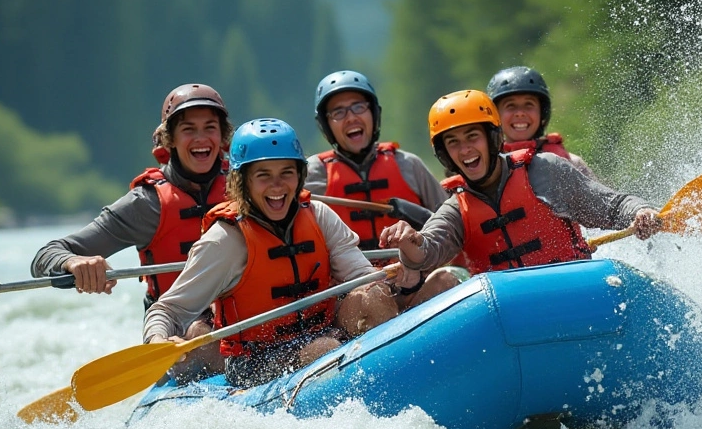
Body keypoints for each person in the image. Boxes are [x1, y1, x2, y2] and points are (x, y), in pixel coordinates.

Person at [143, 118, 406, 388]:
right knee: (324, 350)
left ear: (300, 175)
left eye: (286, 173)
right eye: (263, 175)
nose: (277, 185)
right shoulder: (225, 241)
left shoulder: (319, 216)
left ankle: (401, 382)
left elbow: (362, 277)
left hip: (323, 329)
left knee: (373, 296)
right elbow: (167, 311)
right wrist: (158, 339)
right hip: (255, 359)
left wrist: (404, 275)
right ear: (242, 181)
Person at [30, 83, 232, 378]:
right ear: (170, 139)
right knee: (201, 331)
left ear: (222, 136)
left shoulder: (247, 186)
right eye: (189, 129)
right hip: (177, 332)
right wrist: (73, 262)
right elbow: (45, 255)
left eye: (210, 128)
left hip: (245, 320)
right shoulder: (146, 205)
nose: (201, 139)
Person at [379, 90, 663, 276]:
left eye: (472, 137)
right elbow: (424, 255)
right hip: (510, 312)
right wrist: (410, 241)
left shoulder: (544, 171)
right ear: (445, 154)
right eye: (453, 143)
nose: (464, 150)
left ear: (492, 138)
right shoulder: (456, 210)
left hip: (571, 289)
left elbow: (612, 206)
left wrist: (640, 212)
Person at [306, 70, 462, 306]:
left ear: (373, 113)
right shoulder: (311, 175)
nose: (350, 118)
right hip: (357, 297)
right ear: (326, 125)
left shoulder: (409, 165)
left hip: (414, 290)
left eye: (358, 107)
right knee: (373, 300)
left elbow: (451, 228)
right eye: (338, 112)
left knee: (446, 279)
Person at [486, 66, 594, 178]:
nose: (520, 113)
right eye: (510, 106)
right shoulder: (485, 168)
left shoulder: (572, 164)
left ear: (542, 112)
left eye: (529, 104)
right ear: (495, 115)